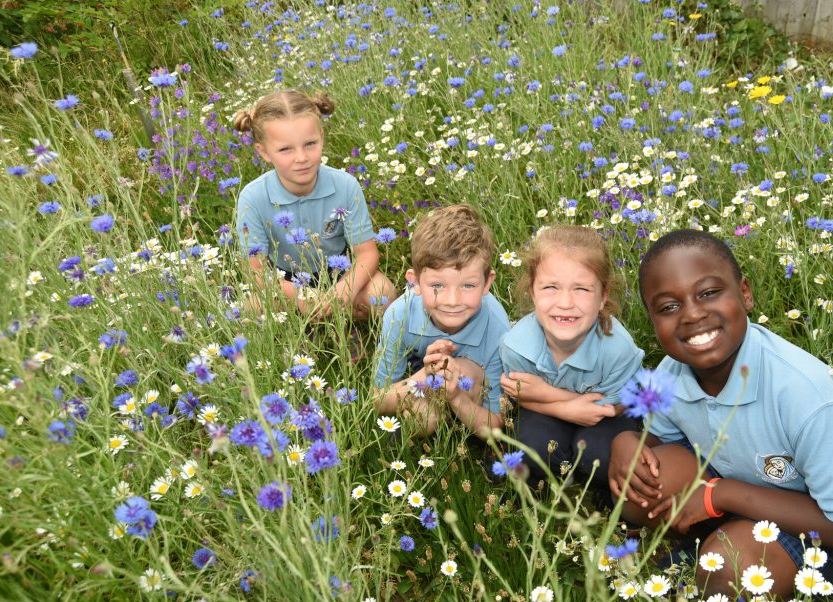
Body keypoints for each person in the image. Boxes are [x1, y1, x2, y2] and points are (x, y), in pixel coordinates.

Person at [608, 229, 833, 597]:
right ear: (652, 321)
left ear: (744, 293)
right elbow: (660, 440)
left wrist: (721, 495)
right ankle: (722, 531)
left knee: (727, 571)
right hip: (734, 481)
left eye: (709, 293)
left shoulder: (804, 394)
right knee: (640, 484)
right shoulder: (671, 373)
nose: (693, 314)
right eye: (669, 307)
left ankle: (732, 545)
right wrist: (627, 440)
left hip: (828, 520)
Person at [499, 225, 644, 500]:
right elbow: (520, 396)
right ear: (532, 291)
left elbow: (617, 405)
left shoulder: (617, 347)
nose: (565, 303)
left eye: (581, 289)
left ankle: (601, 490)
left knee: (600, 454)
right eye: (551, 287)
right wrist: (566, 409)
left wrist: (548, 393)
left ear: (603, 296)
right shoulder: (515, 346)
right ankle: (546, 484)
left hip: (606, 414)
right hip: (544, 412)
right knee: (531, 447)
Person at [232, 89, 395, 320]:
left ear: (322, 136)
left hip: (339, 274)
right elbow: (255, 271)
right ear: (264, 152)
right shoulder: (253, 196)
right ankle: (291, 345)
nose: (301, 157)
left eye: (310, 144)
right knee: (248, 309)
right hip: (285, 283)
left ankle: (349, 332)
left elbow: (366, 253)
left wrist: (340, 293)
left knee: (382, 293)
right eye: (285, 149)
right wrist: (301, 296)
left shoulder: (345, 185)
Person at [373, 204, 509, 436]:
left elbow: (495, 425)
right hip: (420, 377)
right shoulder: (398, 315)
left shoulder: (498, 328)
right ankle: (438, 418)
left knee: (466, 371)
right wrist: (425, 377)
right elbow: (376, 400)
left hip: (469, 387)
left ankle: (454, 410)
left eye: (468, 285)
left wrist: (455, 396)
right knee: (423, 420)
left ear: (487, 283)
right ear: (414, 282)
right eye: (437, 286)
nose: (453, 300)